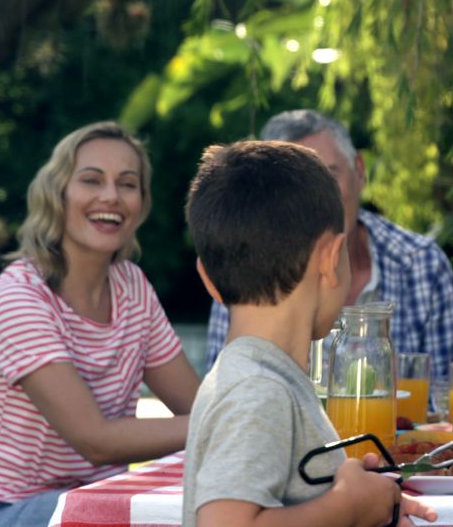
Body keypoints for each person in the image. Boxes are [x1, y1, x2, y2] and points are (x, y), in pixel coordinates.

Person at [0, 122, 201, 527]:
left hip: (92, 508)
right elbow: (94, 439)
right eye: (92, 180)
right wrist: (223, 420)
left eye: (127, 184)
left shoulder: (133, 289)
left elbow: (194, 405)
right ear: (57, 194)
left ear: (141, 203)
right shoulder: (19, 299)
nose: (110, 195)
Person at [182, 140, 437, 526]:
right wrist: (348, 507)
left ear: (208, 280)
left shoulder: (264, 379)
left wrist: (363, 499)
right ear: (332, 259)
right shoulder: (257, 390)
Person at [204, 109, 453, 381]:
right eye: (295, 188)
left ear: (360, 172)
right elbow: (228, 390)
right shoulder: (244, 274)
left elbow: (447, 405)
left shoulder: (422, 263)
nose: (317, 202)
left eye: (329, 176)